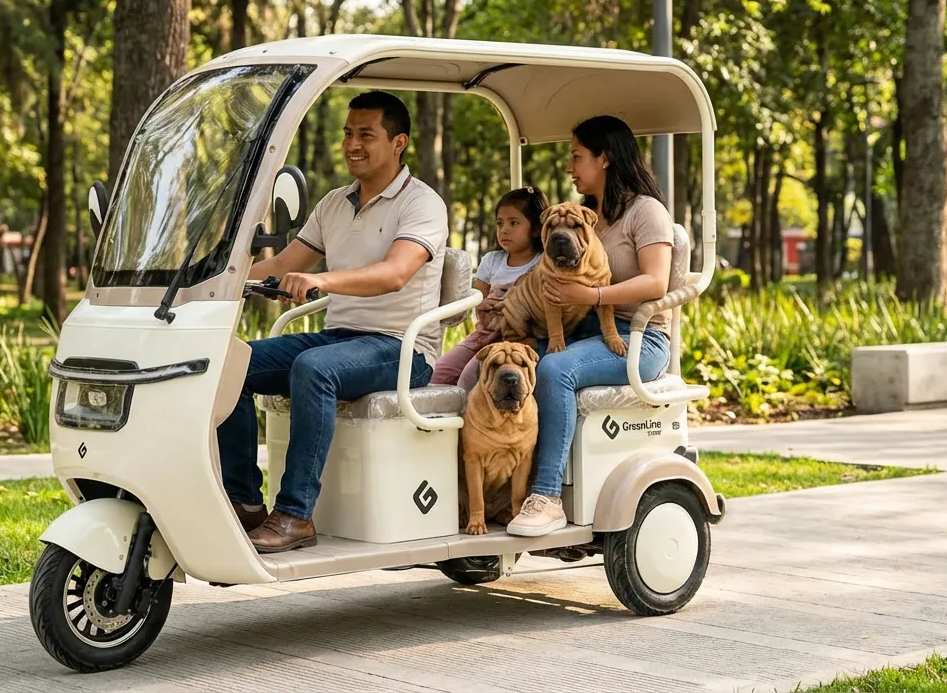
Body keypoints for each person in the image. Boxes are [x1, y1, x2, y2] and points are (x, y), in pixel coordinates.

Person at [218, 90, 449, 554]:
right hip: (341, 339)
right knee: (228, 362)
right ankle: (245, 503)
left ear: (398, 142)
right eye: (348, 133)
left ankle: (295, 515)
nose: (352, 144)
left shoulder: (422, 204)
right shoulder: (334, 203)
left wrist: (323, 279)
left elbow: (395, 273)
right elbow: (283, 264)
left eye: (366, 134)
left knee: (315, 368)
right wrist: (214, 279)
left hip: (401, 349)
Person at [504, 115, 675, 537]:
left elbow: (656, 282)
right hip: (584, 330)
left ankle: (546, 496)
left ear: (605, 160)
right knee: (493, 367)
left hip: (640, 338)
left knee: (554, 370)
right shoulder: (583, 215)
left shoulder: (646, 211)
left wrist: (593, 297)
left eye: (576, 156)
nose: (569, 166)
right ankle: (492, 492)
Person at [430, 187, 548, 391]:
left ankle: (471, 420)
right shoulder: (492, 260)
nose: (504, 230)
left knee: (469, 376)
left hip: (516, 338)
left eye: (514, 223)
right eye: (500, 223)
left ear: (536, 229)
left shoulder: (542, 263)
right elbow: (477, 300)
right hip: (484, 334)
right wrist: (485, 303)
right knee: (437, 374)